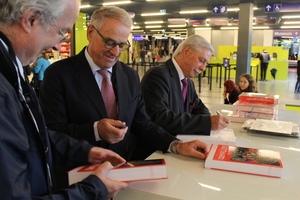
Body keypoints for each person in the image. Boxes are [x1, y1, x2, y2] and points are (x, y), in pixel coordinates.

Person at [40, 6, 209, 190]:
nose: (115, 52)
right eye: (109, 42)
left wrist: (176, 145)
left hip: (118, 174)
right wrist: (95, 130)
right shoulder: (58, 74)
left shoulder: (129, 75)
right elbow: (50, 131)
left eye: (121, 45)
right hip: (76, 180)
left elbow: (142, 122)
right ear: (90, 32)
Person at [0, 0, 129, 199]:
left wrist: (83, 151)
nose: (58, 46)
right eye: (61, 31)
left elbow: (29, 134)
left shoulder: (11, 69)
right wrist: (93, 189)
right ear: (30, 19)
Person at [141, 35, 230, 136]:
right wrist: (206, 122)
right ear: (186, 51)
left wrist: (210, 120)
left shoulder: (187, 82)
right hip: (156, 147)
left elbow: (199, 107)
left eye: (206, 64)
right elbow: (160, 117)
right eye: (201, 60)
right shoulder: (158, 75)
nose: (203, 68)